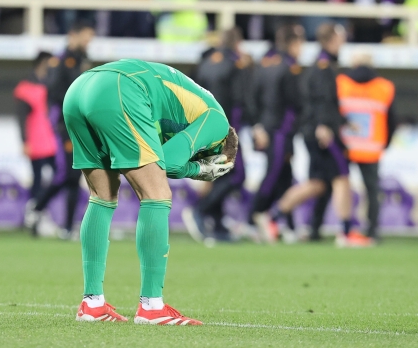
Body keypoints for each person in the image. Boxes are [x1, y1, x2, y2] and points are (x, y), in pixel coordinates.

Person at [63, 59, 238, 324]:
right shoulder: (218, 125)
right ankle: (152, 306)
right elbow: (171, 162)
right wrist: (200, 170)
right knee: (157, 194)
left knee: (102, 196)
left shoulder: (188, 111)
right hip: (120, 89)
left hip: (80, 89)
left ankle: (92, 304)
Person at [259, 23, 372, 247]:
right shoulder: (323, 67)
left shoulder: (320, 65)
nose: (343, 41)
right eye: (340, 37)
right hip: (322, 132)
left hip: (314, 131)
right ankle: (347, 233)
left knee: (317, 184)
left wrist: (345, 121)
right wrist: (324, 125)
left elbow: (323, 102)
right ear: (331, 40)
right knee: (342, 178)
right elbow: (320, 101)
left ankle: (272, 217)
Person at [310, 52, 397, 242]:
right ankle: (373, 231)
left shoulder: (340, 82)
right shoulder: (385, 87)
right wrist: (385, 143)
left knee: (329, 186)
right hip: (371, 148)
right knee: (372, 191)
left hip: (342, 145)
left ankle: (316, 228)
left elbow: (330, 109)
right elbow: (392, 120)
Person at [183, 27, 253, 244]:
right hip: (225, 128)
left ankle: (217, 220)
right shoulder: (235, 65)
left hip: (202, 126)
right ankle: (200, 210)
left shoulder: (206, 63)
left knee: (219, 173)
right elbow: (239, 102)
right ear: (238, 43)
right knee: (237, 174)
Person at [26, 21, 94, 239]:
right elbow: (54, 93)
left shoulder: (83, 60)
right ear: (73, 35)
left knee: (75, 175)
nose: (88, 41)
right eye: (85, 37)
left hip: (80, 124)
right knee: (66, 174)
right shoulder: (60, 61)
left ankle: (67, 227)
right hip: (65, 124)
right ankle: (37, 208)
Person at [244, 24, 306, 243]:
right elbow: (294, 105)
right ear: (293, 43)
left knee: (284, 178)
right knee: (273, 176)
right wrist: (290, 132)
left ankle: (285, 225)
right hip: (280, 131)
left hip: (266, 129)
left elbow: (251, 99)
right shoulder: (290, 68)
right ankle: (253, 220)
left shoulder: (264, 64)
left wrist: (257, 126)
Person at [14, 52, 58, 201]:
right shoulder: (25, 87)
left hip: (53, 139)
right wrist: (25, 141)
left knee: (59, 175)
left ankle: (45, 208)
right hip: (36, 141)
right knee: (38, 178)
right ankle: (34, 210)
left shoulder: (51, 84)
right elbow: (21, 117)